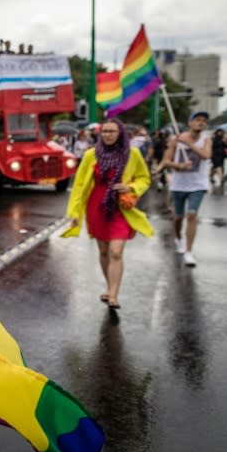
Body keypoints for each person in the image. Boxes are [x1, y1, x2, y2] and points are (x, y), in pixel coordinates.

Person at [64, 118, 153, 309]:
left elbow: (145, 178)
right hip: (96, 207)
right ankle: (109, 285)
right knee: (103, 251)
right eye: (104, 131)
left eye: (112, 131)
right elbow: (79, 185)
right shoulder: (90, 155)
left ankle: (113, 294)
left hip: (119, 207)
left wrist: (131, 187)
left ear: (120, 133)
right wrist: (74, 213)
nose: (108, 135)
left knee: (116, 251)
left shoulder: (133, 154)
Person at [161, 112, 212, 267]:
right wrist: (180, 166)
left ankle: (189, 252)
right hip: (179, 184)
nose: (200, 123)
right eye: (197, 120)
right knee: (178, 217)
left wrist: (188, 144)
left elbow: (206, 155)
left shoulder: (206, 139)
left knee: (192, 215)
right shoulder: (176, 140)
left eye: (204, 121)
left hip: (198, 184)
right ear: (190, 123)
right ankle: (178, 239)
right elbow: (166, 161)